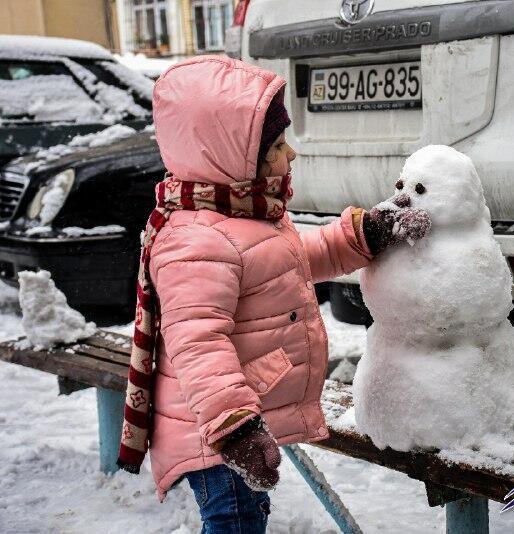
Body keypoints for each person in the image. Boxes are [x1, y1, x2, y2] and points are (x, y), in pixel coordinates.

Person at [115, 56, 429, 533]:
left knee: (244, 519)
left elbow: (288, 262)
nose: (292, 154)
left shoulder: (236, 215)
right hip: (216, 430)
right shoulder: (196, 240)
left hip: (231, 415)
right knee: (234, 523)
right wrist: (234, 427)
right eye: (279, 146)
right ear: (237, 160)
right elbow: (197, 342)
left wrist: (359, 237)